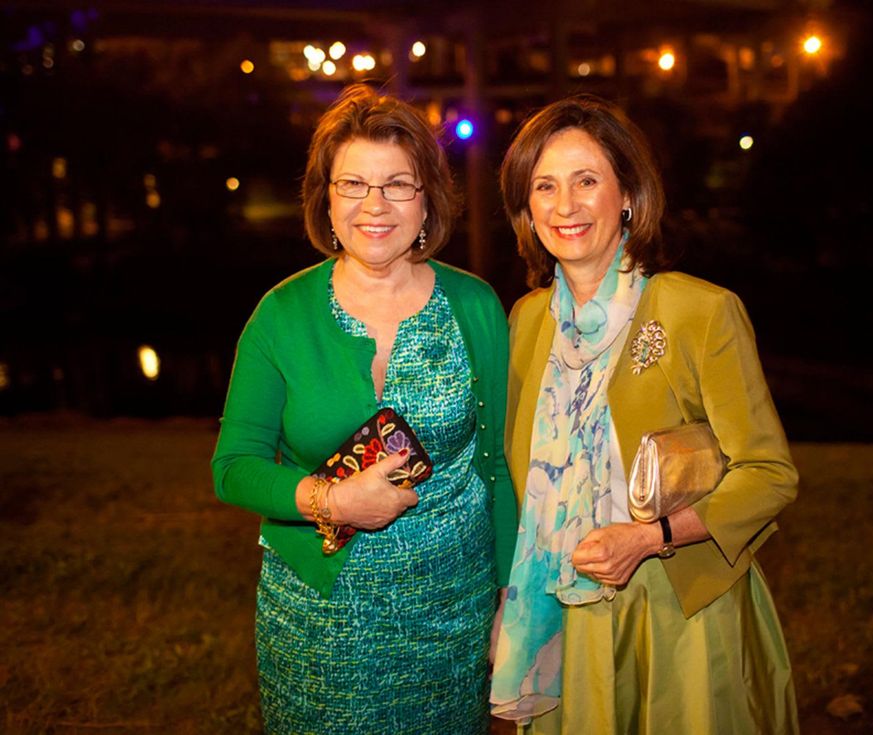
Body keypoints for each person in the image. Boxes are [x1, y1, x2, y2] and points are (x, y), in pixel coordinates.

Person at [211, 84, 516, 734]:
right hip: (317, 616)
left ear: (427, 198)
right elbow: (233, 467)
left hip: (452, 615)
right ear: (326, 199)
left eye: (397, 184)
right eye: (353, 184)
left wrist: (508, 600)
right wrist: (330, 500)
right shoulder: (281, 315)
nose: (374, 205)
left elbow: (498, 464)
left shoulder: (476, 307)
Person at [489, 94, 799, 734]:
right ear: (526, 208)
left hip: (677, 613)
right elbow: (507, 474)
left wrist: (651, 537)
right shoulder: (523, 323)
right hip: (555, 618)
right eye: (544, 186)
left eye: (586, 181)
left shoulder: (699, 311)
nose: (565, 205)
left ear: (627, 194)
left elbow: (769, 474)